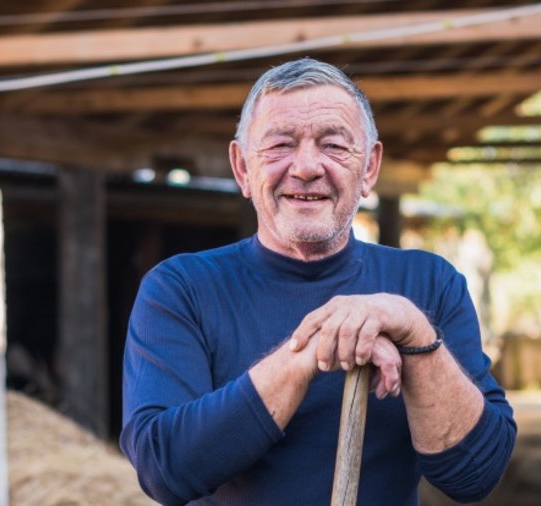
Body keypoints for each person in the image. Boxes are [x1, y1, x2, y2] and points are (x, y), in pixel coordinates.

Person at [120, 57, 516, 505]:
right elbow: (164, 471)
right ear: (243, 168)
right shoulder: (182, 289)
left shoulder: (429, 284)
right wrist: (311, 350)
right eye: (280, 145)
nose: (306, 167)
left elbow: (475, 474)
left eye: (333, 145)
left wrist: (412, 330)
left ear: (369, 168)